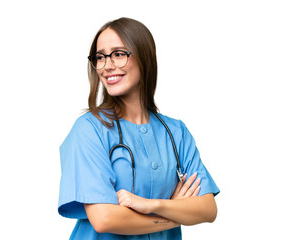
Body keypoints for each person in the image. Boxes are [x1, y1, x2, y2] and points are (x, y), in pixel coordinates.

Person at [58, 17, 220, 240]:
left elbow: (208, 209)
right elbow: (104, 219)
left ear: (144, 57)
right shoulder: (89, 129)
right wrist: (175, 212)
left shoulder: (176, 132)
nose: (107, 65)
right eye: (100, 57)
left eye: (118, 54)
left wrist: (150, 205)